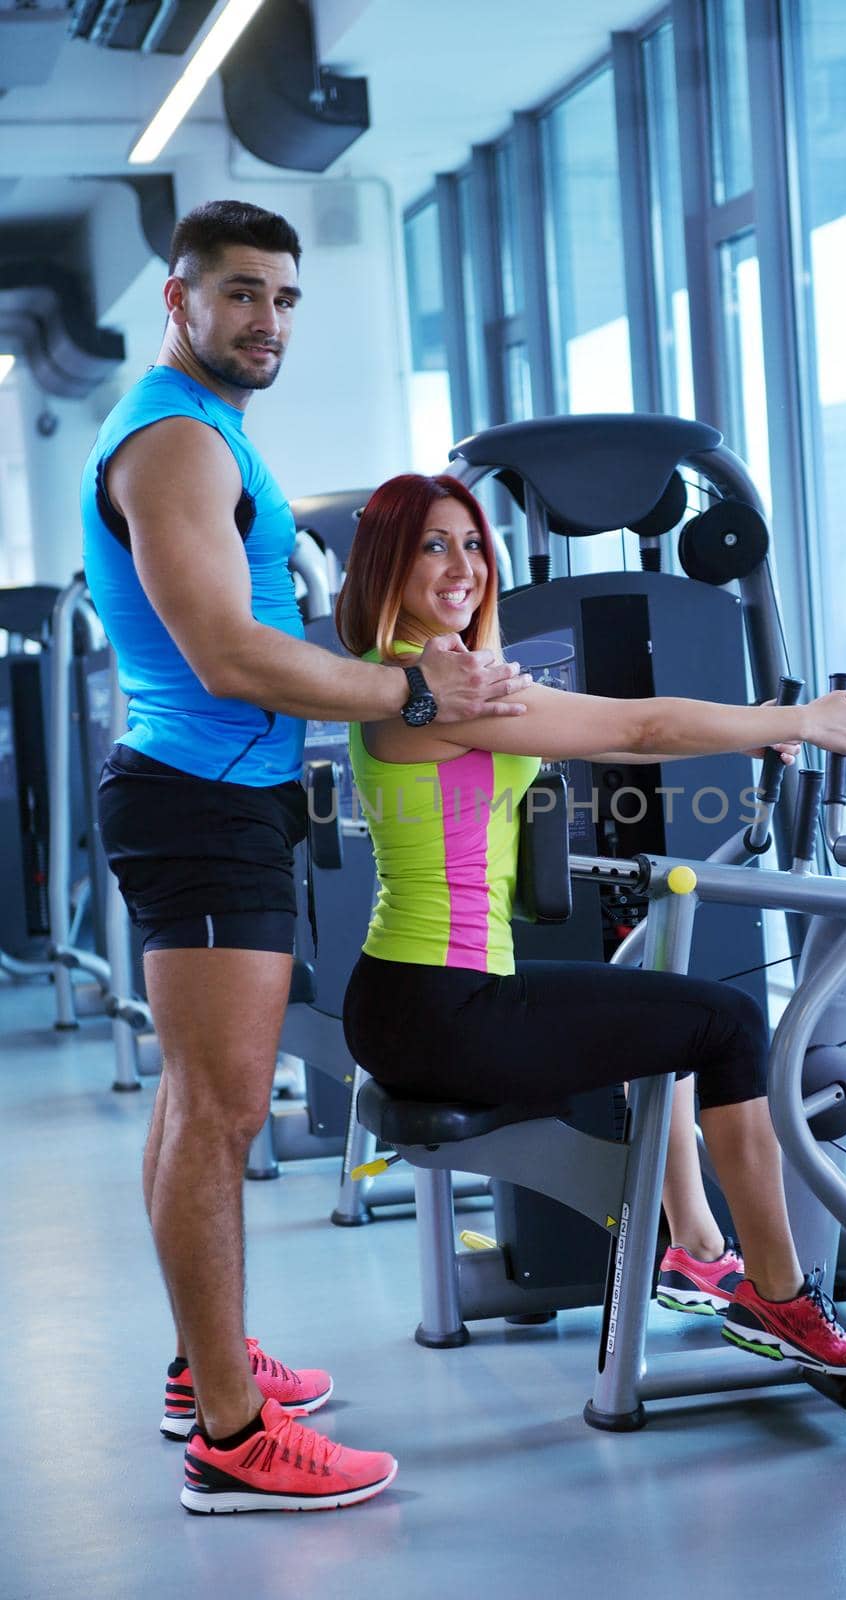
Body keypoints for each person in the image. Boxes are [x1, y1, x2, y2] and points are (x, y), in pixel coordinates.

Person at [81, 201, 530, 1516]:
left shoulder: (211, 436)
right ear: (179, 300)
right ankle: (230, 1434)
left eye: (282, 297)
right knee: (222, 1116)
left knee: (194, 1102)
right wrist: (416, 699)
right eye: (238, 294)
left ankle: (200, 1365)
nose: (265, 319)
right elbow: (226, 655)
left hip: (225, 796)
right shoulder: (173, 444)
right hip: (201, 800)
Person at [338, 471, 846, 1379]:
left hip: (412, 995)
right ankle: (782, 1300)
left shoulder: (397, 679)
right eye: (434, 545)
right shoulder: (443, 690)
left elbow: (604, 737)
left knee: (654, 1013)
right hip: (442, 1005)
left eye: (473, 544)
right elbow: (638, 729)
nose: (462, 566)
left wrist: (750, 736)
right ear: (386, 563)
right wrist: (798, 719)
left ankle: (697, 1248)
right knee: (728, 1022)